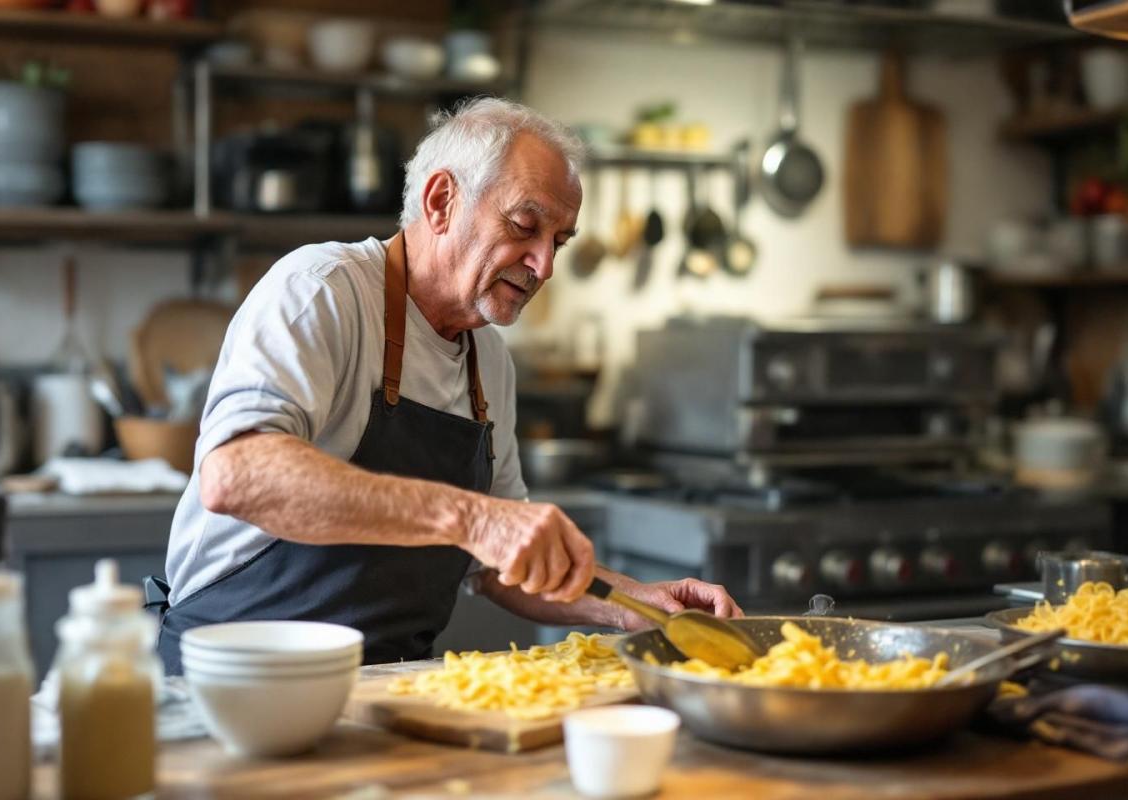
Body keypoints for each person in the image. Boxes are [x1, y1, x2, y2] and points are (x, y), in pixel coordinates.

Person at [155, 97, 741, 674]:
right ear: (441, 202)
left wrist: (635, 603)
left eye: (558, 242)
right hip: (234, 681)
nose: (544, 266)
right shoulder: (321, 291)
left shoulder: (488, 358)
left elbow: (495, 564)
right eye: (524, 226)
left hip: (384, 689)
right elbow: (237, 474)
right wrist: (474, 519)